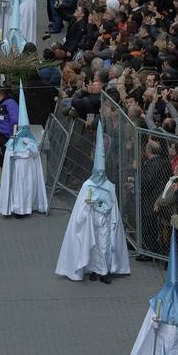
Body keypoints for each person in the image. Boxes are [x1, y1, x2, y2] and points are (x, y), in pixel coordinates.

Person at [56, 120, 131, 282]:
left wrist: (110, 215)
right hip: (91, 221)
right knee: (92, 245)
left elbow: (113, 206)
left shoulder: (109, 186)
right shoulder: (87, 186)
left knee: (104, 245)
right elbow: (80, 210)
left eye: (102, 172)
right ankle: (94, 270)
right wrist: (88, 207)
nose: (100, 175)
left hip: (105, 222)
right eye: (97, 172)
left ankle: (104, 271)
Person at [0, 85, 48, 217]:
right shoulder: (13, 142)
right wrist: (13, 150)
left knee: (29, 188)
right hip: (18, 170)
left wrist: (29, 145)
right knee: (18, 189)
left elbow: (35, 153)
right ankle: (19, 209)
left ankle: (28, 207)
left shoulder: (31, 141)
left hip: (29, 169)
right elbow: (9, 155)